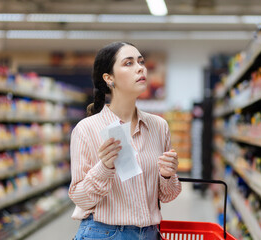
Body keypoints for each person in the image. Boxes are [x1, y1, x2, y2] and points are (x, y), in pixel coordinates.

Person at [69, 41, 182, 240]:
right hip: (104, 234)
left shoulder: (158, 126)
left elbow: (168, 195)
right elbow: (80, 198)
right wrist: (104, 167)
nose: (140, 68)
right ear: (109, 78)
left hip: (150, 234)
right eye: (128, 63)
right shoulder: (87, 129)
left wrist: (167, 175)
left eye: (141, 62)